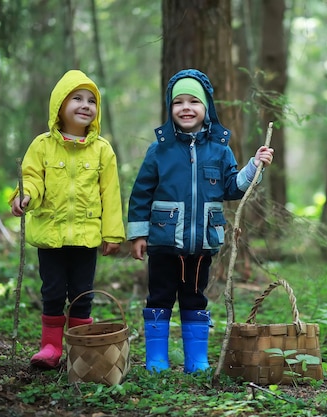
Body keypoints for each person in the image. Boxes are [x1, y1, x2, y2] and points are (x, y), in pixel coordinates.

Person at [127, 69, 274, 373]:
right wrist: (139, 234)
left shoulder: (219, 150)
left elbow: (232, 187)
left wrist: (254, 166)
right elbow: (141, 192)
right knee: (159, 298)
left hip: (201, 243)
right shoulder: (160, 149)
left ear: (207, 107)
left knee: (195, 299)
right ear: (170, 108)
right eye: (178, 102)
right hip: (163, 242)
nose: (185, 107)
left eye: (194, 101)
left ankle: (196, 360)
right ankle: (156, 359)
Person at [10, 69, 126, 369]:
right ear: (59, 105)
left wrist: (112, 234)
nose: (86, 105)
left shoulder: (102, 150)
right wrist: (25, 196)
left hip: (86, 236)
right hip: (51, 233)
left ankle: (80, 347)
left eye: (92, 100)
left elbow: (110, 194)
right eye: (77, 98)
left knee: (82, 294)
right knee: (52, 290)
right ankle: (50, 346)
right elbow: (32, 178)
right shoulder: (42, 145)